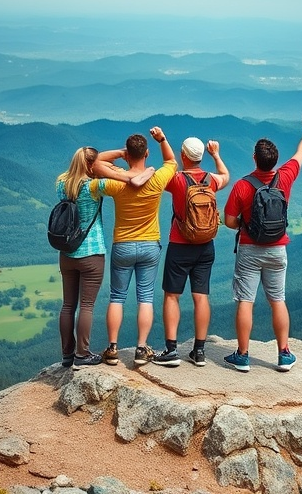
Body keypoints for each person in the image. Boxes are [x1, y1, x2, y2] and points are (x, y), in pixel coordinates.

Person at [223, 108, 302, 372]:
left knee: (246, 301)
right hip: (278, 248)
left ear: (254, 158)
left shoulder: (243, 186)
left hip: (249, 248)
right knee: (277, 299)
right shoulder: (286, 176)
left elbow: (229, 221)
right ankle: (284, 354)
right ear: (276, 160)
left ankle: (243, 356)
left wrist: (245, 223)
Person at [57, 146, 153, 369]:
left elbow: (88, 164)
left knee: (68, 305)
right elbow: (127, 178)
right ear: (92, 165)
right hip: (91, 253)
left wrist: (118, 153)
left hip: (66, 252)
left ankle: (67, 355)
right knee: (87, 306)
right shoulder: (94, 186)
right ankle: (82, 354)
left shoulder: (61, 183)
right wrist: (137, 165)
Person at [89, 127, 177, 366]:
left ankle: (113, 348)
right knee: (145, 297)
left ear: (128, 155)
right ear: (147, 153)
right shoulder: (157, 179)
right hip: (150, 245)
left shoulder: (117, 181)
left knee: (117, 296)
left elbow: (93, 163)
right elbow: (171, 160)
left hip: (123, 245)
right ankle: (141, 348)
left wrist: (119, 153)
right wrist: (162, 139)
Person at [152, 137, 230, 367]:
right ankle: (199, 351)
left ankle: (171, 350)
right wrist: (216, 155)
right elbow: (226, 175)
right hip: (206, 246)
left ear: (184, 155)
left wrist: (163, 142)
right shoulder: (211, 181)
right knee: (201, 297)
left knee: (172, 296)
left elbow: (166, 167)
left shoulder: (176, 180)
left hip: (180, 244)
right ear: (201, 157)